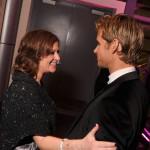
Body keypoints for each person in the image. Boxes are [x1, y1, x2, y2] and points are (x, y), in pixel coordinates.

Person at [0, 30, 117, 150]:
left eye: (58, 52)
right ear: (36, 54)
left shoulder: (34, 83)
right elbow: (42, 140)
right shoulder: (24, 90)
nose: (58, 57)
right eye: (52, 52)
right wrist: (81, 145)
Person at [67, 14, 149, 150]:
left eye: (99, 44)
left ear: (114, 45)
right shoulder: (132, 87)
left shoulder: (119, 97)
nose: (95, 50)